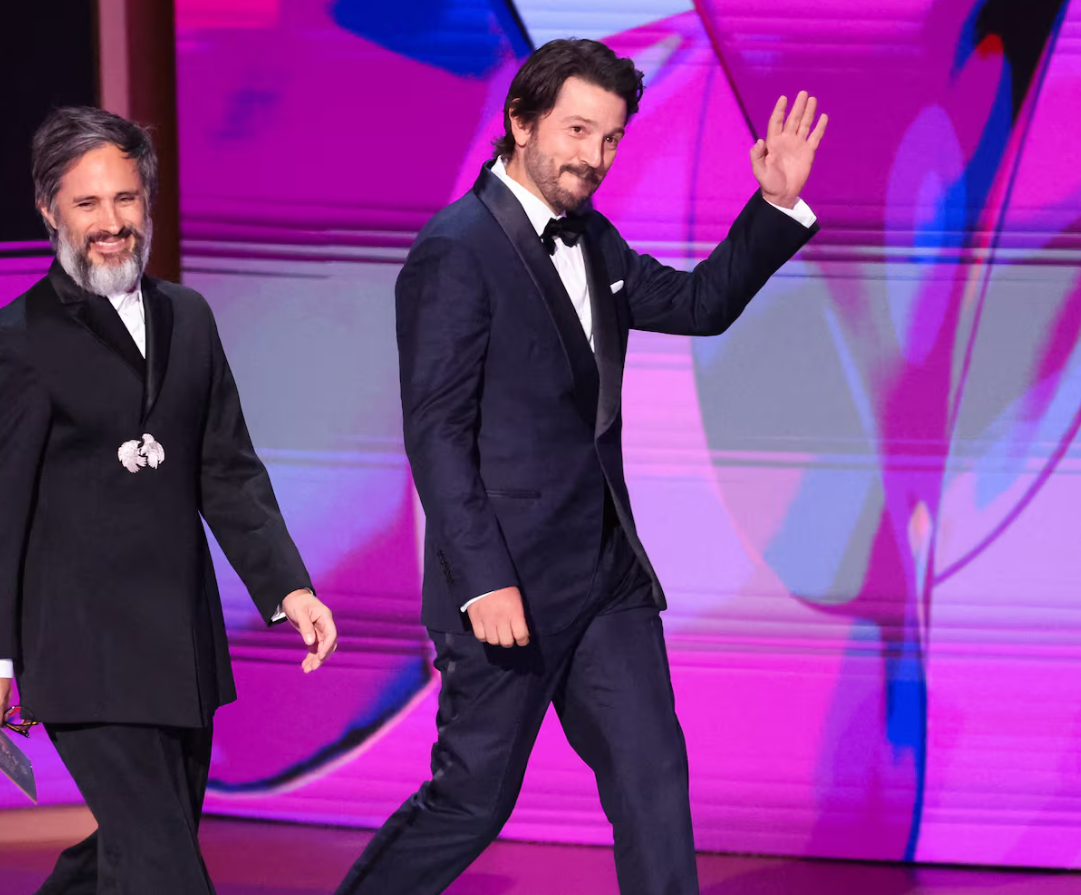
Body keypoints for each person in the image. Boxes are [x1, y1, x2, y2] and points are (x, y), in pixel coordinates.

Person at [336, 39, 828, 895]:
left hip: (605, 577)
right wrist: (483, 578)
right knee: (472, 802)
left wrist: (774, 205)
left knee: (652, 783)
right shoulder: (456, 248)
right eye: (576, 131)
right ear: (520, 122)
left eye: (609, 138)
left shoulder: (593, 238)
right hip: (508, 587)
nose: (593, 157)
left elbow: (699, 305)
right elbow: (437, 430)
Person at [0, 106, 338, 895]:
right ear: (48, 208)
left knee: (131, 852)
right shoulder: (12, 340)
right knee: (164, 870)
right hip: (82, 650)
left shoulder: (187, 318)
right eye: (87, 204)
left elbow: (226, 466)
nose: (110, 223)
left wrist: (286, 583)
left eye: (125, 199)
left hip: (178, 646)